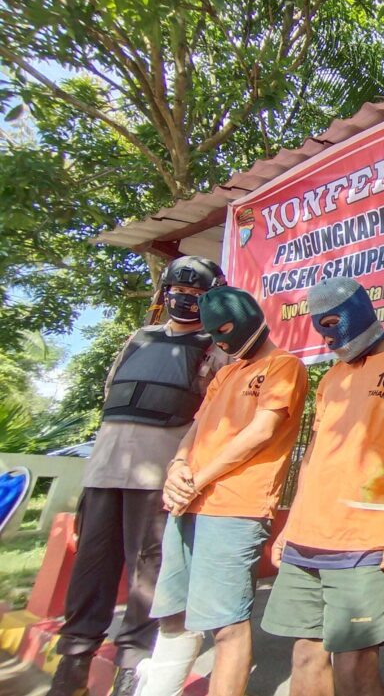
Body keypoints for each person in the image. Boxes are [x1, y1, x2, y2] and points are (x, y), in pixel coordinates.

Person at [261, 277, 384, 696]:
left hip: (363, 540)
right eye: (319, 327)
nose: (327, 336)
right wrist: (289, 527)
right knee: (305, 657)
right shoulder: (330, 380)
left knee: (355, 663)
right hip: (307, 537)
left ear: (357, 312)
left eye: (332, 322)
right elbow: (312, 456)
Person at [50, 256, 227, 696]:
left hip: (158, 476)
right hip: (105, 468)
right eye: (177, 291)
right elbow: (113, 395)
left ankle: (133, 662)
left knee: (149, 574)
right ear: (163, 292)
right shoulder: (137, 338)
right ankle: (73, 663)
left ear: (210, 299)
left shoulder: (215, 348)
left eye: (195, 294)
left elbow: (214, 416)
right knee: (91, 569)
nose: (184, 299)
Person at [134, 286, 308, 696]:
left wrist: (198, 478)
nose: (221, 339)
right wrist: (178, 467)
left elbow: (261, 431)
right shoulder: (226, 373)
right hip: (187, 503)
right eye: (213, 333)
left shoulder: (285, 366)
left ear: (249, 316)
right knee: (173, 615)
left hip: (235, 509)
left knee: (225, 626)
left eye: (226, 328)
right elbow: (195, 432)